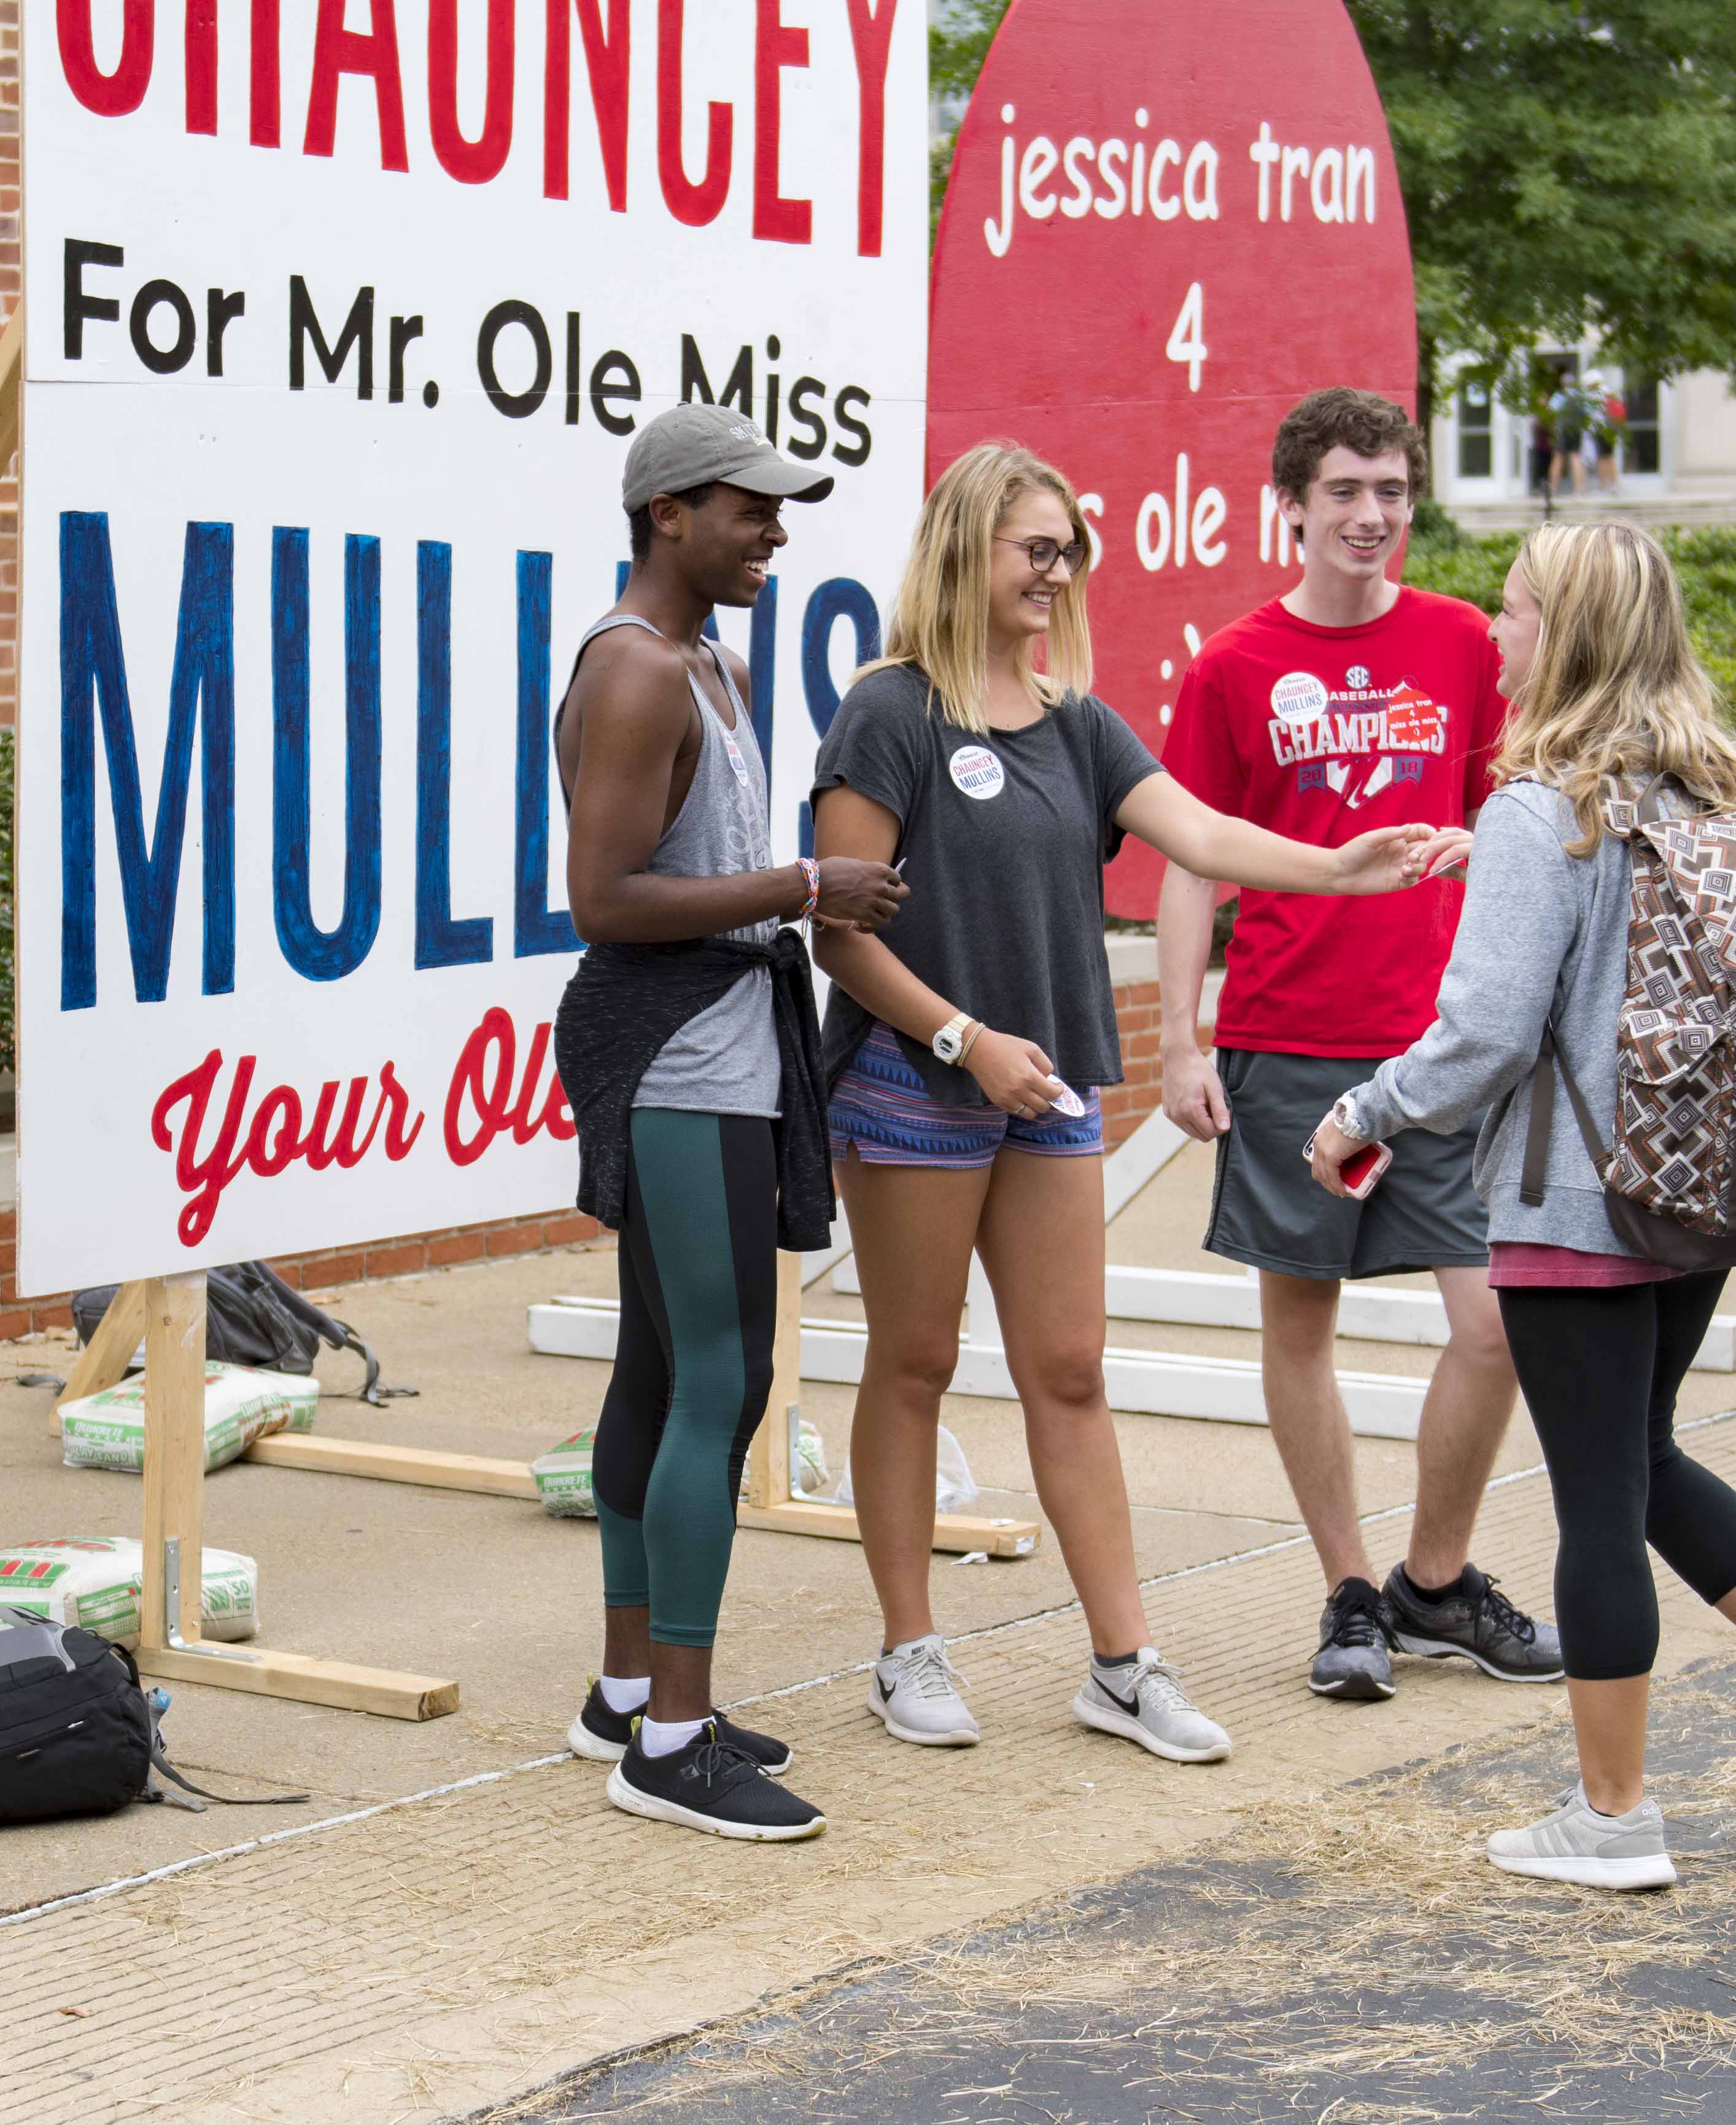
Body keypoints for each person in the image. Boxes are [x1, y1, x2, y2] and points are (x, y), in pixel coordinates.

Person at [810, 441, 1463, 1764]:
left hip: (1048, 1082)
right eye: (1035, 549)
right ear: (965, 548)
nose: (1057, 573)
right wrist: (962, 1039)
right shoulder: (890, 711)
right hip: (918, 1079)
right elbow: (838, 928)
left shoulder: (1076, 720)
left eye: (1070, 551)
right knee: (915, 1359)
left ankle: (1123, 1662)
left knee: (1070, 1370)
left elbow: (1205, 836)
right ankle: (907, 1647)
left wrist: (1342, 868)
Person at [1310, 521, 1736, 1890]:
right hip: (1697, 1187)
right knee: (1641, 1458)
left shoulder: (1540, 810)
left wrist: (1363, 1113)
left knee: (1596, 1499)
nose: (1494, 630)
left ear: (1569, 635)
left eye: (1516, 609)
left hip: (1575, 1200)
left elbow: (1483, 1033)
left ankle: (1613, 1811)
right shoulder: (1702, 796)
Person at [1155, 387, 1563, 1706]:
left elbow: (1517, 818)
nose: (1370, 515)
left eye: (1390, 490)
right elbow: (1187, 860)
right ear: (1292, 503)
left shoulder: (1461, 644)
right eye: (1343, 490)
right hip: (1285, 1034)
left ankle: (1431, 1582)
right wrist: (1179, 1039)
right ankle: (1345, 1589)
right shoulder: (1234, 664)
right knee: (1300, 1320)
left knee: (1494, 1325)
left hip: (1439, 1047)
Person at [551, 400, 908, 1843]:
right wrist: (803, 886)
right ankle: (670, 1745)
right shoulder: (636, 671)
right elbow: (602, 898)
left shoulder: (712, 662)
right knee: (721, 1378)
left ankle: (627, 1691)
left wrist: (787, 894)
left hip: (720, 1050)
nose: (773, 533)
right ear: (667, 514)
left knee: (660, 1368)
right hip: (679, 1056)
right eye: (749, 508)